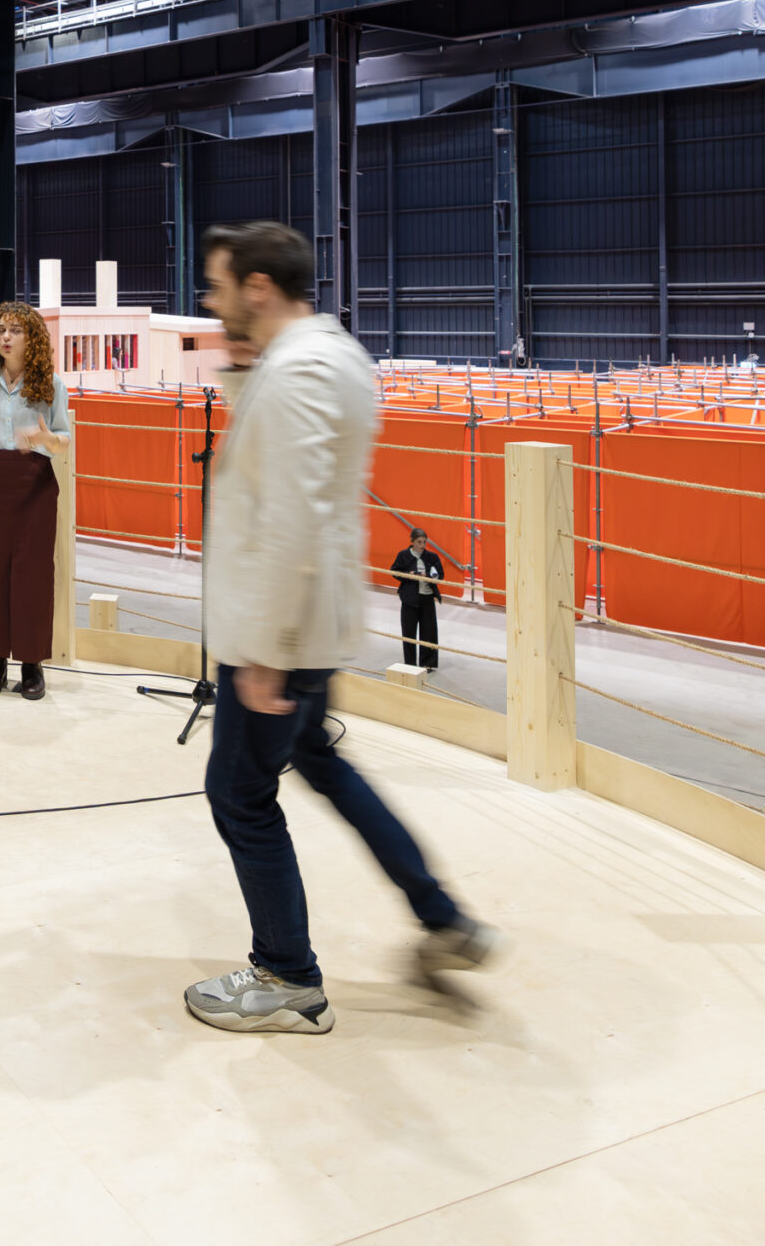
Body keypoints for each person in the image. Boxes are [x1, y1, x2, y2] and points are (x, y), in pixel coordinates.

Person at [186, 221, 501, 1035]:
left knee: (239, 793)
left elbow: (292, 512)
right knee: (320, 761)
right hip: (307, 623)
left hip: (281, 631)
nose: (212, 303)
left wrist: (266, 651)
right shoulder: (327, 355)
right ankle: (441, 916)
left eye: (220, 287)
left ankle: (287, 972)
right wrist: (242, 369)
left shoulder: (299, 372)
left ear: (259, 287)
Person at [0, 301, 70, 699]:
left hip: (33, 485)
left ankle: (31, 663)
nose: (5, 337)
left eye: (15, 330)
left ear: (31, 337)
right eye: (0, 330)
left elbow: (63, 440)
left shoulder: (52, 384)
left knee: (32, 575)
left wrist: (46, 439)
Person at [391, 527, 445, 670]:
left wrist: (429, 576)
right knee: (408, 632)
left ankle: (427, 663)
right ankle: (410, 664)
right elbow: (394, 571)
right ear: (412, 542)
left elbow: (440, 574)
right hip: (409, 599)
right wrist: (409, 575)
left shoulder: (432, 557)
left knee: (429, 632)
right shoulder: (403, 555)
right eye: (419, 542)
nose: (422, 545)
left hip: (427, 599)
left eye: (424, 542)